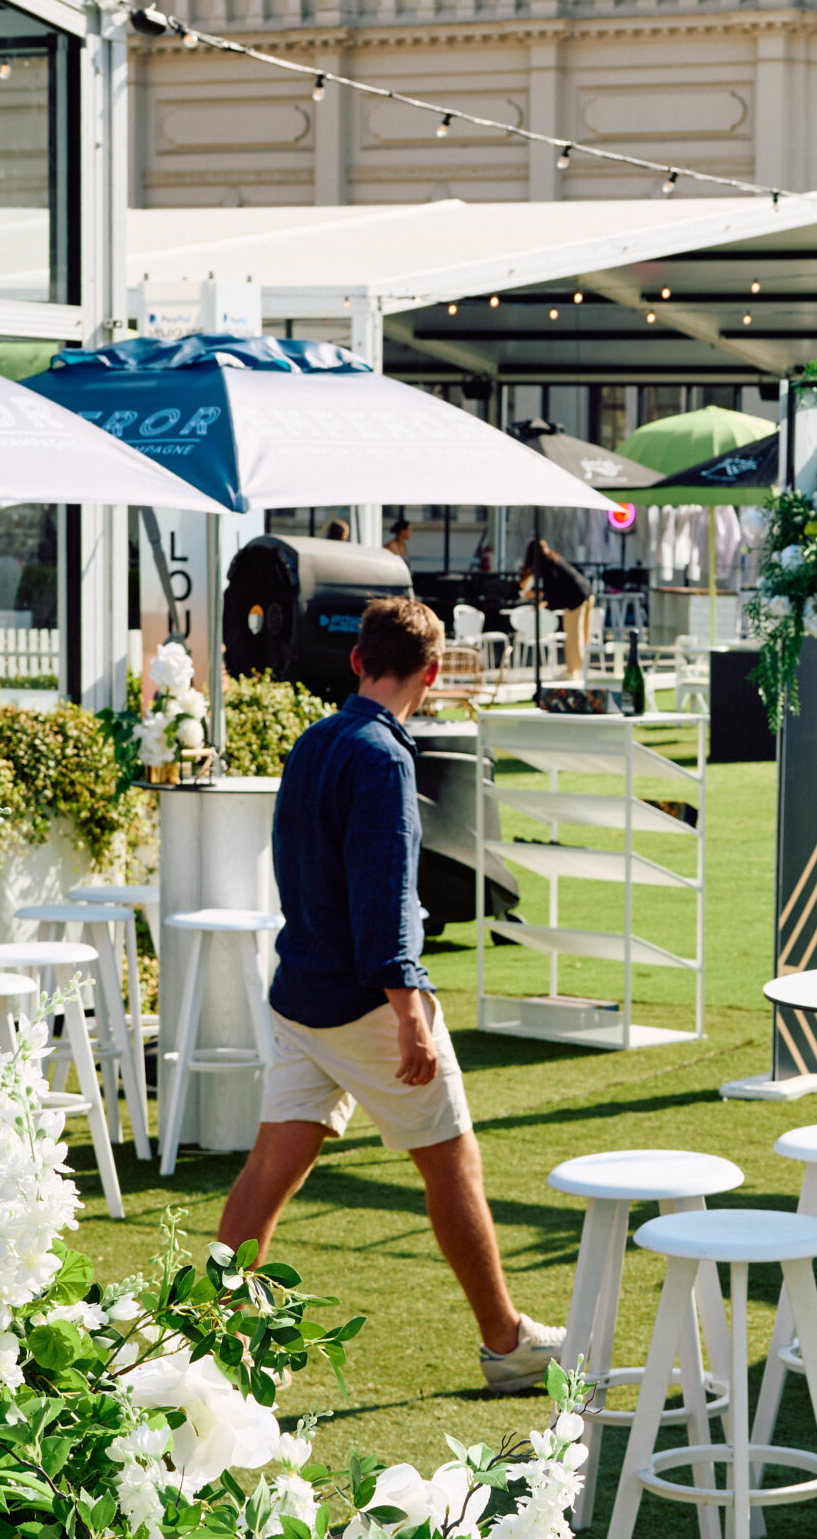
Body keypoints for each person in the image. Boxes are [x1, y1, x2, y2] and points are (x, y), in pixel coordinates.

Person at [216, 596, 566, 1393]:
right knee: (452, 1163)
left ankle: (201, 1336)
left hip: (299, 990)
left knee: (269, 1169)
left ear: (356, 660)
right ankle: (507, 1342)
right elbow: (384, 896)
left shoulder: (313, 741)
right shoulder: (384, 757)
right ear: (434, 673)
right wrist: (409, 1012)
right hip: (362, 1002)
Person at [518, 535, 594, 678]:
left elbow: (552, 590)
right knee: (583, 635)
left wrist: (541, 599)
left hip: (575, 598)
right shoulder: (555, 559)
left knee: (573, 635)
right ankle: (582, 669)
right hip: (586, 592)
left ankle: (573, 671)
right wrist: (543, 599)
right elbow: (555, 589)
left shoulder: (547, 565)